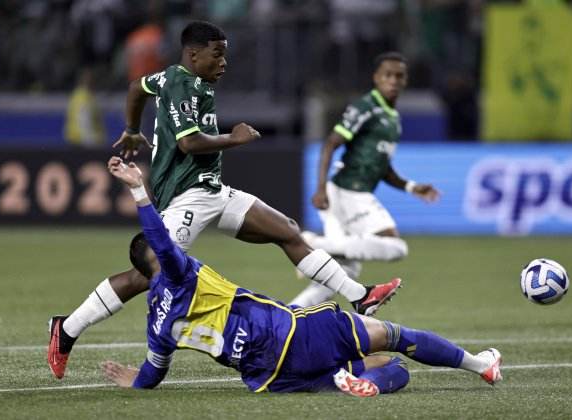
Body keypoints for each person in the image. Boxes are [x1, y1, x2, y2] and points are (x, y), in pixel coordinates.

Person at [48, 21, 401, 380]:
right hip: (186, 199)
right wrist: (234, 138)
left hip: (212, 191)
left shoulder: (173, 77)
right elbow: (189, 142)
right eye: (217, 55)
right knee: (146, 277)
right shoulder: (184, 85)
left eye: (225, 55)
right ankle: (67, 328)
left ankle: (360, 296)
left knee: (288, 232)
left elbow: (135, 87)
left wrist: (131, 129)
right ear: (194, 54)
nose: (224, 63)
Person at [99, 157, 503, 396]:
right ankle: (480, 365)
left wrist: (135, 382)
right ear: (156, 258)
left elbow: (153, 372)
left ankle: (365, 381)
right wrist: (139, 191)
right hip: (291, 334)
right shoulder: (177, 271)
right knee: (394, 337)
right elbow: (163, 246)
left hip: (269, 378)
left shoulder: (157, 323)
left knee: (389, 367)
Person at [290, 52, 440, 307]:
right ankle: (316, 243)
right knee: (396, 247)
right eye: (387, 75)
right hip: (347, 191)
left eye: (399, 76)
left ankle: (288, 316)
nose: (393, 80)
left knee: (343, 274)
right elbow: (330, 144)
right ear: (376, 78)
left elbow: (384, 168)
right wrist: (320, 188)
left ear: (405, 81)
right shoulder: (365, 107)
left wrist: (412, 187)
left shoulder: (392, 118)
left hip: (355, 193)